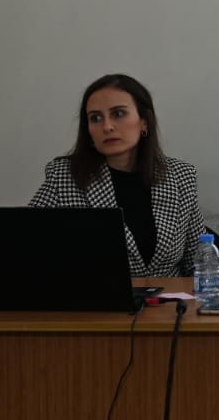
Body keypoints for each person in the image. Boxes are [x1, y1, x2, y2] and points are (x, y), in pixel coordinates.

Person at [29, 73, 206, 277]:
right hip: (98, 296)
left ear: (144, 122)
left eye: (118, 114)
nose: (107, 126)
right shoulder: (64, 177)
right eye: (95, 118)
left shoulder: (181, 176)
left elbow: (200, 262)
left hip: (170, 296)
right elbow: (23, 247)